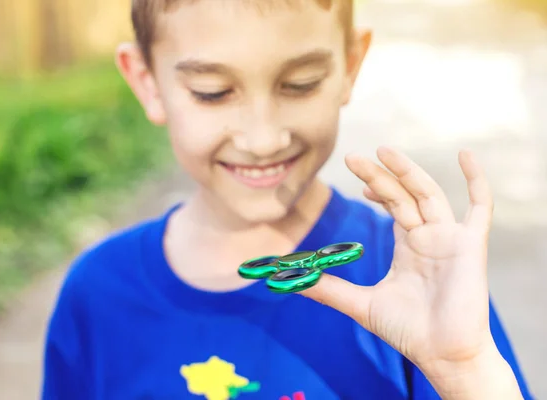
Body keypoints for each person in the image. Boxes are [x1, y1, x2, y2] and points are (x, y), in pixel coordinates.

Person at [41, 0, 534, 399]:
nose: (263, 138)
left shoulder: (412, 276)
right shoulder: (98, 294)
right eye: (212, 92)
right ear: (147, 82)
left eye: (300, 85)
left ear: (350, 65)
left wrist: (466, 373)